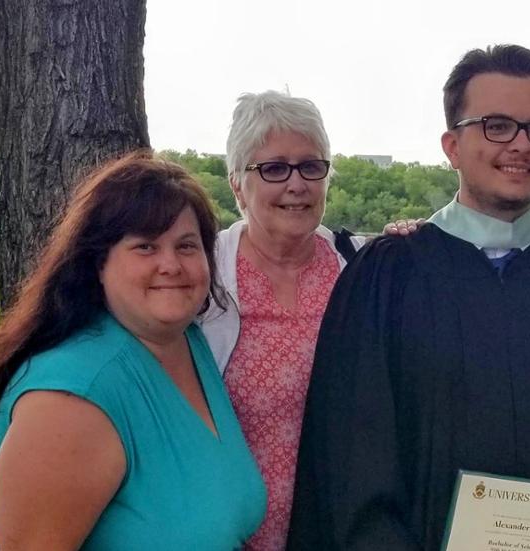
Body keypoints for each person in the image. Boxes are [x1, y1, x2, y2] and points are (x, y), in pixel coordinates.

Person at [287, 44, 530, 550]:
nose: (520, 144)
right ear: (451, 146)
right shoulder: (388, 277)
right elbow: (354, 459)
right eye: (497, 125)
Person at [0, 152, 266, 548]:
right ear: (98, 263)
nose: (171, 265)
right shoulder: (71, 400)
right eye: (145, 247)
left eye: (186, 246)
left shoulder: (186, 341)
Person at [199, 91, 364, 550]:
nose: (297, 184)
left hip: (337, 530)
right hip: (229, 535)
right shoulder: (200, 277)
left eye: (312, 166)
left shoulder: (361, 271)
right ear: (236, 184)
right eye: (273, 169)